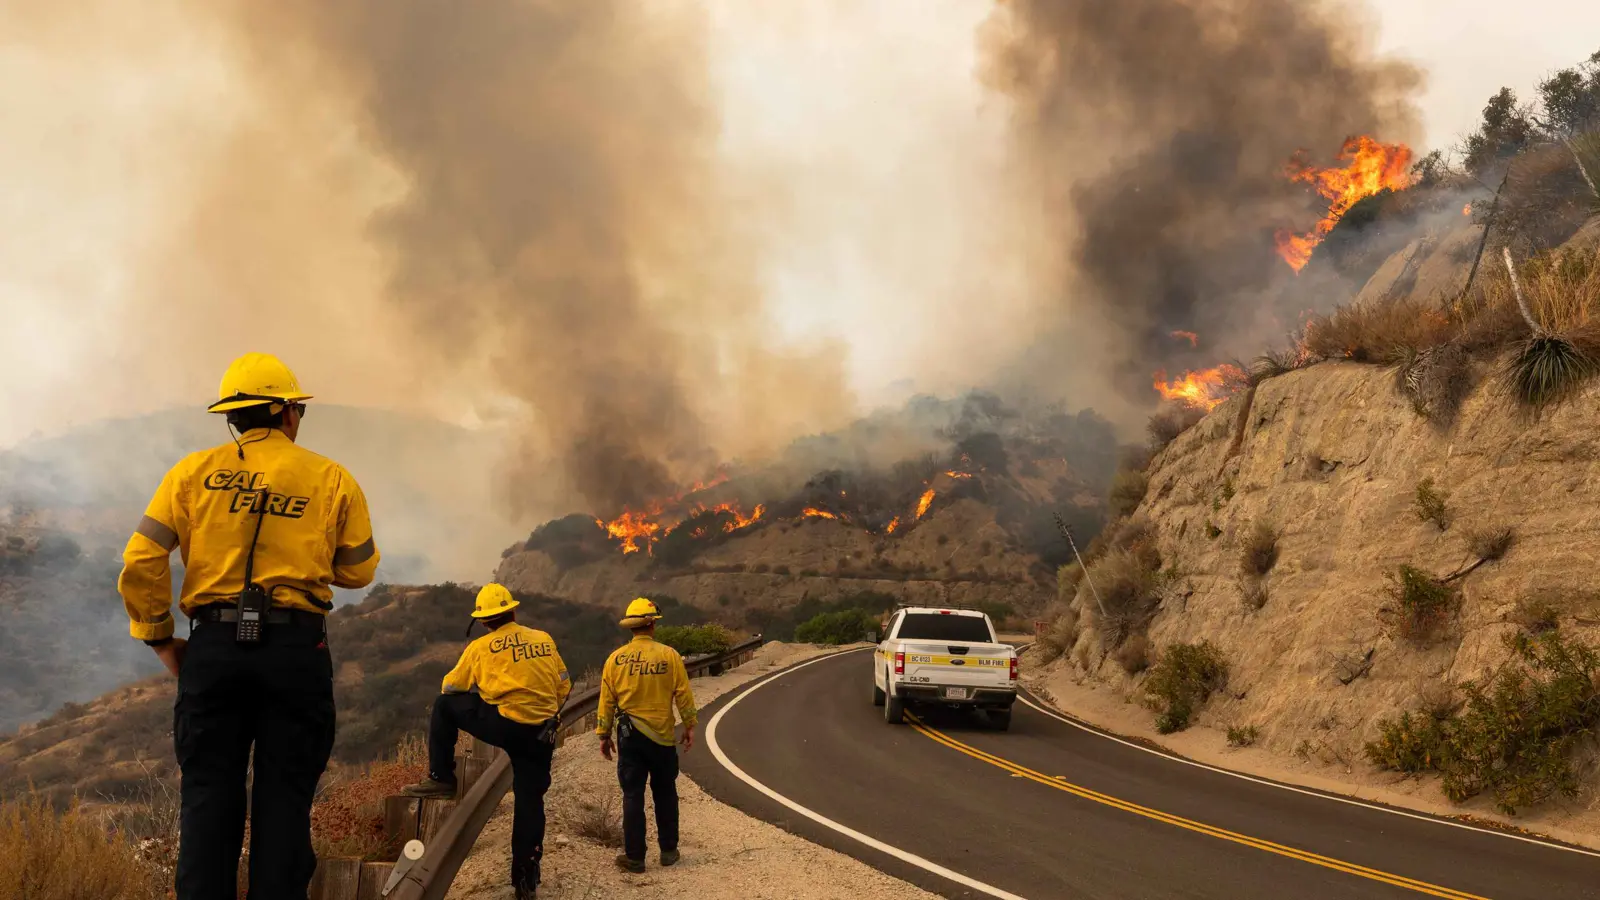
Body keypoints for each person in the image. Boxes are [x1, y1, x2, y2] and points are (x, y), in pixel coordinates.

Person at [118, 352, 381, 900]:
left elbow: (141, 560)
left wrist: (164, 640)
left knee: (208, 797)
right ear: (287, 413)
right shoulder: (331, 477)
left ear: (232, 418)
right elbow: (358, 570)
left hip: (211, 646)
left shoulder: (189, 474)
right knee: (285, 798)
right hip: (296, 647)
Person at [402, 583, 570, 900]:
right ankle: (525, 880)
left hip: (506, 725)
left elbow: (450, 685)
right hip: (542, 732)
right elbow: (564, 684)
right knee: (530, 802)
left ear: (483, 620)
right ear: (513, 611)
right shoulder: (543, 639)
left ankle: (441, 776)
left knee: (443, 706)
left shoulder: (481, 648)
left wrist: (486, 691)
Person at [595, 597, 698, 874]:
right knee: (665, 792)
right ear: (652, 624)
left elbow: (606, 701)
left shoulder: (614, 660)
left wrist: (603, 735)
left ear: (631, 627)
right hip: (662, 737)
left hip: (630, 738)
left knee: (632, 795)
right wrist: (689, 726)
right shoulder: (669, 656)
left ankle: (635, 857)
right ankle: (668, 851)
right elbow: (683, 694)